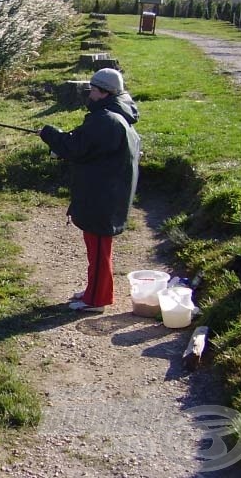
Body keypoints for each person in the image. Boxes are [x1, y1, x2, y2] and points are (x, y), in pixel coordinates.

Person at [38, 68, 141, 312]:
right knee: (97, 250)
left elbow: (75, 147)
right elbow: (88, 147)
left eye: (93, 90)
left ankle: (96, 300)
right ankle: (96, 290)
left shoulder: (106, 119)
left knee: (98, 253)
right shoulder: (116, 115)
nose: (90, 94)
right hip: (106, 192)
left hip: (104, 196)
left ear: (105, 92)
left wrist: (49, 134)